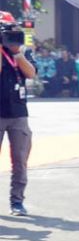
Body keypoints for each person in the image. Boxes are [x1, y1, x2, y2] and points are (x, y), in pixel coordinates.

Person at [0, 13, 37, 216]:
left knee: (20, 159)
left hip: (18, 113)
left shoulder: (22, 50)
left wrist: (17, 53)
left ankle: (17, 201)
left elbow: (31, 74)